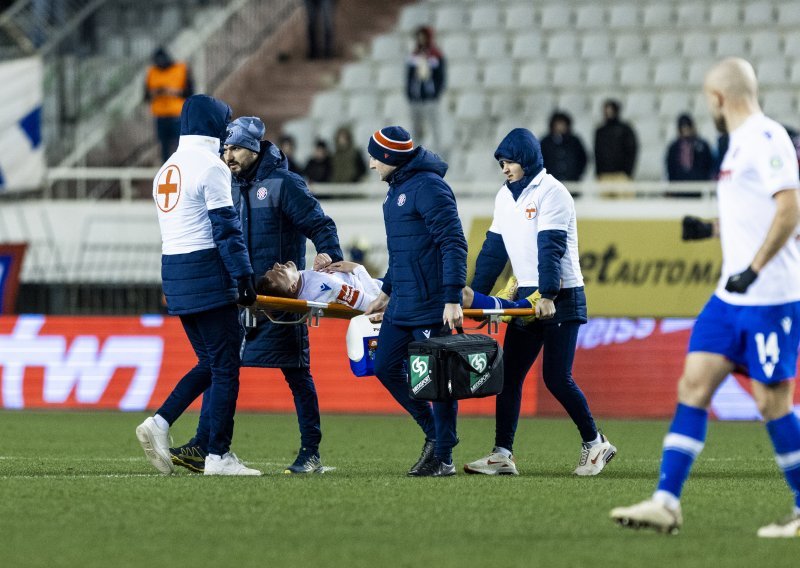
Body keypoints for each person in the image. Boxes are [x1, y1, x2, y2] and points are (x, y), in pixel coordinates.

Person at [610, 58, 800, 538]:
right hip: (729, 298)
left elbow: (790, 209)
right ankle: (666, 502)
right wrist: (711, 229)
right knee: (693, 386)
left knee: (772, 403)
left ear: (718, 98)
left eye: (706, 98)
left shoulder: (766, 137)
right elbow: (756, 214)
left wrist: (753, 269)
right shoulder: (736, 144)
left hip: (770, 297)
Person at [169, 116, 343, 475]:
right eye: (225, 148)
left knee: (296, 372)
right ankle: (205, 444)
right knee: (221, 369)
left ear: (252, 148)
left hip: (281, 299)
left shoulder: (284, 184)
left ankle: (310, 452)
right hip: (239, 296)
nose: (227, 154)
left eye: (234, 148)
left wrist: (330, 256)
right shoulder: (226, 185)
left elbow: (321, 224)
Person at [464, 127, 615, 477]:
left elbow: (551, 247)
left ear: (528, 160)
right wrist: (471, 294)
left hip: (560, 297)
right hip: (527, 299)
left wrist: (547, 295)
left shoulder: (553, 193)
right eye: (501, 162)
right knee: (509, 376)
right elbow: (493, 250)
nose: (504, 168)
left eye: (510, 161)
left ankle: (596, 443)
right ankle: (502, 454)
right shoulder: (504, 197)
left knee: (557, 377)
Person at [136, 94, 260, 477]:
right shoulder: (211, 166)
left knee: (210, 362)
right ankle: (218, 456)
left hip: (175, 274)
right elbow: (226, 229)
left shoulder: (167, 169)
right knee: (226, 367)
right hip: (207, 271)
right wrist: (243, 278)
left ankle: (160, 423)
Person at [363, 126, 466, 477]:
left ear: (390, 157)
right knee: (384, 367)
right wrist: (387, 289)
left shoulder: (429, 188)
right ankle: (435, 436)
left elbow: (453, 242)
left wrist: (452, 297)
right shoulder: (396, 193)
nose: (372, 164)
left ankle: (444, 455)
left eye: (376, 156)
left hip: (431, 303)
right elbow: (403, 252)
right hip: (403, 302)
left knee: (439, 382)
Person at [256, 259, 539, 314]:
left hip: (392, 289)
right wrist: (359, 268)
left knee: (461, 293)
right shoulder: (322, 286)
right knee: (458, 294)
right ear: (291, 289)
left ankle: (501, 305)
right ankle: (516, 308)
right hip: (396, 295)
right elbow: (370, 302)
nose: (278, 267)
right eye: (277, 275)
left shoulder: (309, 278)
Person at [144, 47, 194, 163]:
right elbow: (146, 96)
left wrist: (174, 92)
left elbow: (190, 92)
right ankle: (166, 172)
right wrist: (155, 92)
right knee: (164, 150)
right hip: (160, 116)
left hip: (177, 116)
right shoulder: (152, 72)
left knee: (180, 146)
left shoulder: (180, 69)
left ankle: (182, 169)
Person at [406, 26, 446, 151]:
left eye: (423, 37)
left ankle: (437, 151)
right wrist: (410, 93)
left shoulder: (436, 56)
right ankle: (416, 153)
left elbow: (441, 77)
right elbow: (409, 77)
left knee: (434, 126)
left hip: (430, 97)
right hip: (416, 97)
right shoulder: (413, 56)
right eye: (419, 37)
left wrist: (436, 93)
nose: (421, 40)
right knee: (416, 128)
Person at [594, 99, 638, 180]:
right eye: (606, 111)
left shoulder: (625, 130)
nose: (608, 113)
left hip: (621, 175)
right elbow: (597, 153)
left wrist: (628, 172)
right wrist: (598, 172)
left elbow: (631, 151)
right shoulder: (600, 131)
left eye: (610, 110)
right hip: (604, 175)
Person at [540, 111, 588, 183]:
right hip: (551, 182)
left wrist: (577, 174)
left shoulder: (574, 141)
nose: (560, 127)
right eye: (557, 124)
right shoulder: (545, 142)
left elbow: (583, 159)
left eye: (562, 124)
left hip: (572, 181)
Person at [665, 113, 715, 183]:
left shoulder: (702, 145)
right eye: (683, 127)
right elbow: (670, 168)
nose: (686, 129)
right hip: (679, 185)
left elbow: (708, 164)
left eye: (688, 126)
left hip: (699, 183)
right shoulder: (673, 147)